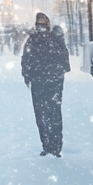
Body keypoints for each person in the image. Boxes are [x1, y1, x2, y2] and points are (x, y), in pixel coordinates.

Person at [21, 11, 70, 157]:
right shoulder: (34, 40)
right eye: (38, 25)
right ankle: (48, 144)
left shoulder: (52, 40)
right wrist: (28, 74)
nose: (40, 27)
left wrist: (30, 74)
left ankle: (54, 145)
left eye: (43, 24)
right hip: (43, 81)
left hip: (49, 81)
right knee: (43, 115)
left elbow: (64, 61)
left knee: (51, 113)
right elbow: (26, 60)